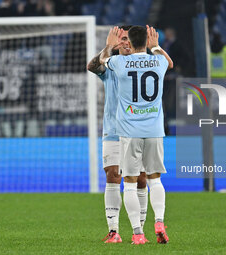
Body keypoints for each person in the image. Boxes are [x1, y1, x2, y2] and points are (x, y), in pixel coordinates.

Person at [100, 25, 173, 244]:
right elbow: (170, 63)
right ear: (147, 41)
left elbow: (103, 60)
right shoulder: (158, 62)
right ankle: (159, 221)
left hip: (129, 131)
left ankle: (137, 233)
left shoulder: (120, 63)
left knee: (130, 183)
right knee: (155, 180)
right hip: (154, 130)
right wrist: (156, 46)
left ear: (130, 41)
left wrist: (109, 45)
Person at [86, 25, 148, 244]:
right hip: (113, 131)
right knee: (113, 175)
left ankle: (139, 231)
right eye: (122, 39)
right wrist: (107, 47)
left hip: (139, 132)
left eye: (129, 39)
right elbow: (92, 67)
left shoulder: (145, 65)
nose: (125, 43)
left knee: (141, 179)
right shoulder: (111, 66)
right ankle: (113, 231)